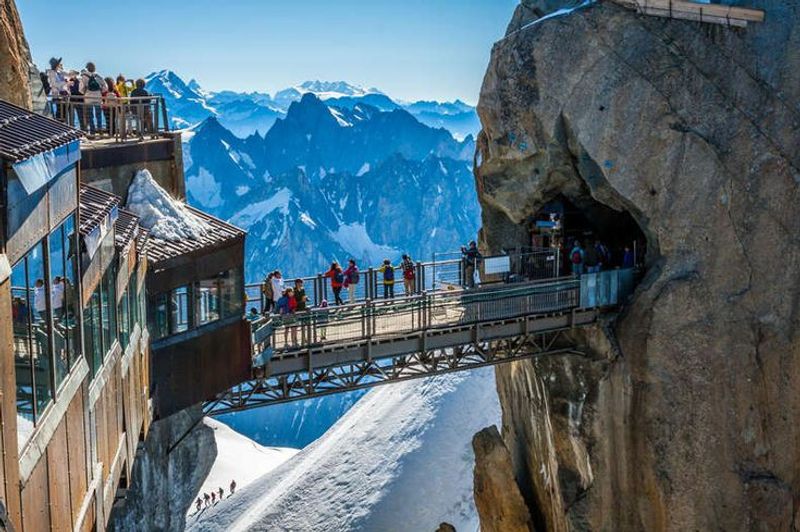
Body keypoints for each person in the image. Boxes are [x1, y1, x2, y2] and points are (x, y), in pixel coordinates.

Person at [79, 62, 107, 135]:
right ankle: (100, 130)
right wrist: (100, 90)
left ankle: (92, 131)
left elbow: (80, 90)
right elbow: (105, 88)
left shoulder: (84, 76)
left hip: (88, 98)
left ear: (87, 68)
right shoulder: (98, 76)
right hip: (98, 97)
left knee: (90, 115)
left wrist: (85, 91)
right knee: (99, 115)